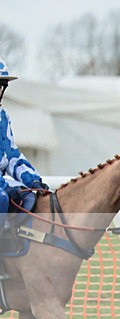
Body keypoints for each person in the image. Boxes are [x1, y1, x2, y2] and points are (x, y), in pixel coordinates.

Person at [0, 58, 48, 280]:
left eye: (1, 85)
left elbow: (11, 156)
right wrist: (7, 186)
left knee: (31, 199)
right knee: (2, 198)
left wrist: (33, 180)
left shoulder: (3, 117)